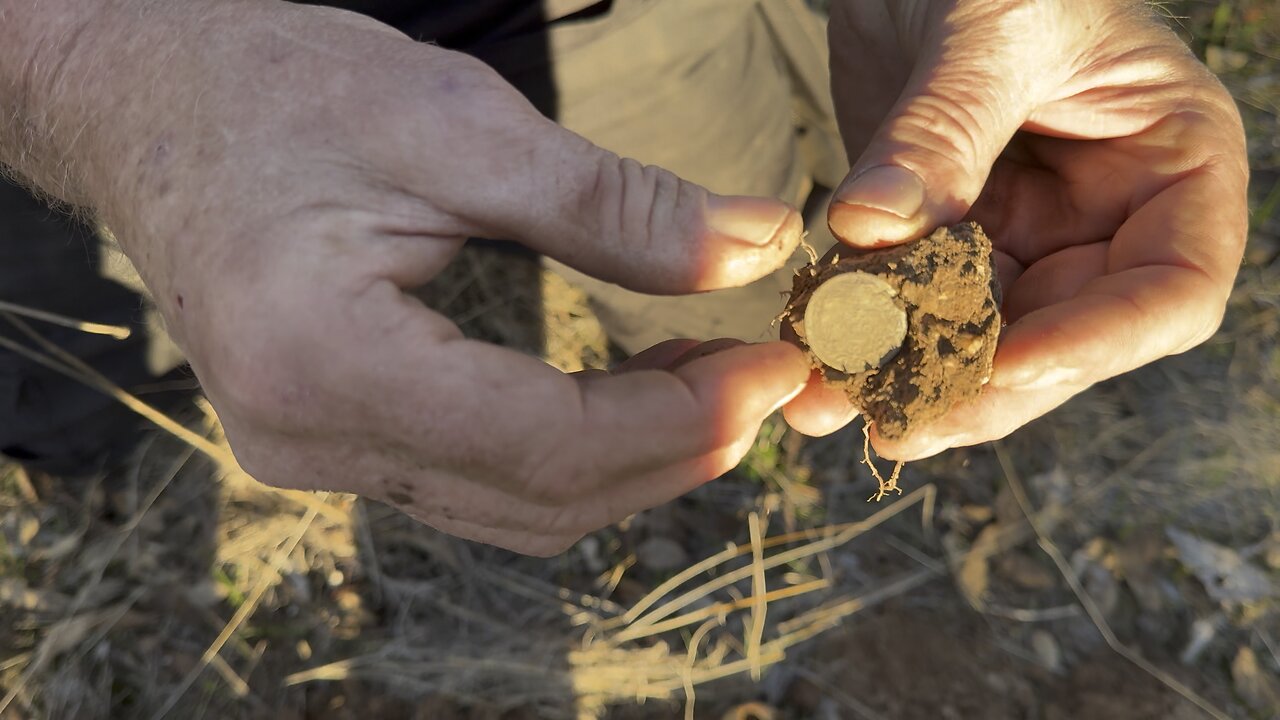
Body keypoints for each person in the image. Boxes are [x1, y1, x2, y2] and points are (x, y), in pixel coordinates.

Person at [0, 0, 1248, 555]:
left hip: (599, 17)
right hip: (110, 42)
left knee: (724, 294)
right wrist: (85, 70)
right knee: (75, 394)